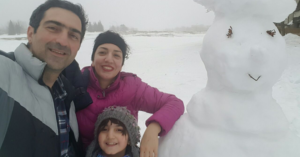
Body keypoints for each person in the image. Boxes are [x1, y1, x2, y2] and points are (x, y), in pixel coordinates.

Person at [0, 0, 91, 156]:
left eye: (73, 35)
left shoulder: (66, 94)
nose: (63, 41)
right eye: (53, 28)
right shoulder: (5, 73)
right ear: (30, 33)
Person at [75, 31, 185, 157]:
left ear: (121, 65)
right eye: (102, 52)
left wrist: (153, 128)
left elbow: (174, 103)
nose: (109, 59)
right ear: (93, 60)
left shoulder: (132, 87)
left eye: (116, 55)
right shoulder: (77, 84)